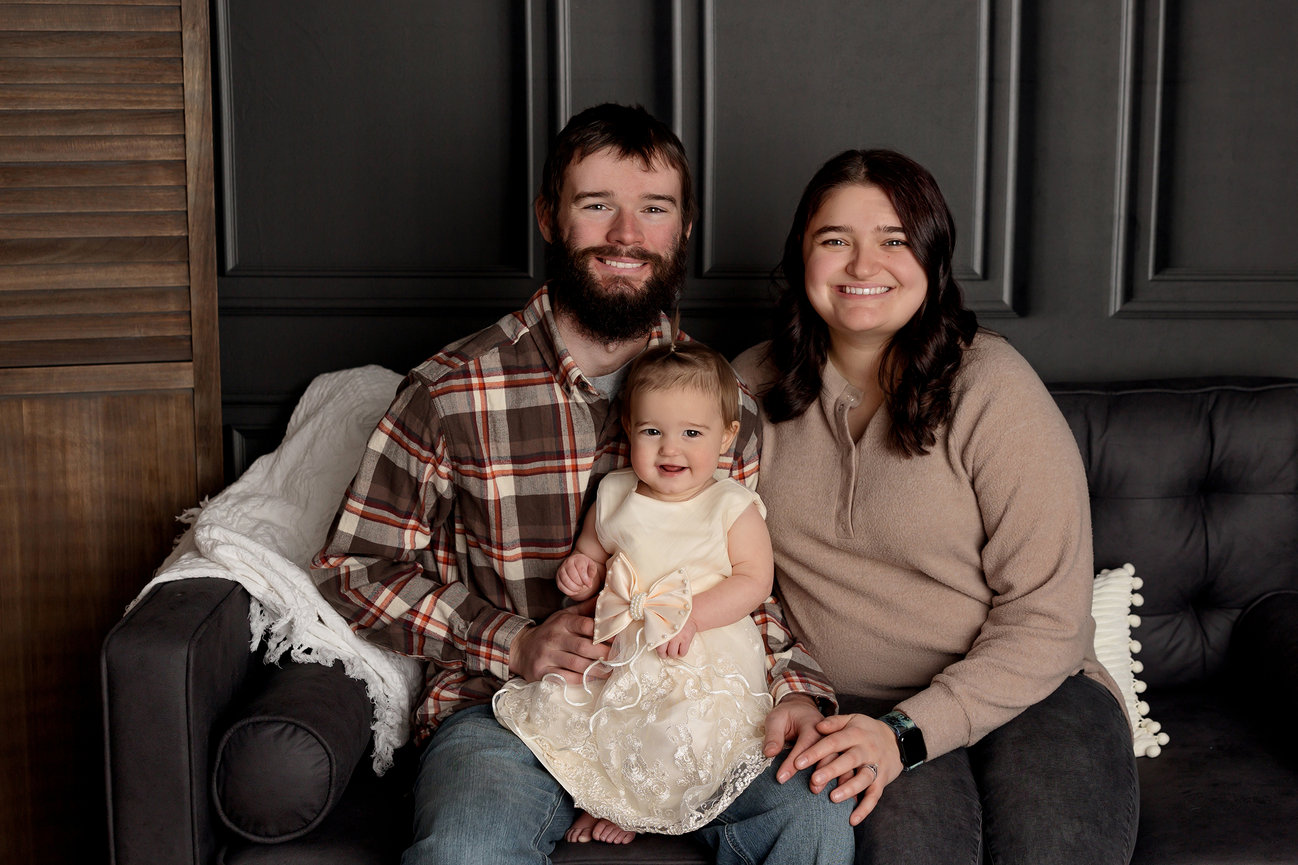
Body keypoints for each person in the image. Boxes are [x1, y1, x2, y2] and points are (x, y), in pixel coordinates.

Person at [312, 103, 854, 864]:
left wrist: (797, 689)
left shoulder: (726, 404)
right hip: (510, 714)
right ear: (548, 217)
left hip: (689, 709)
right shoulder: (451, 391)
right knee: (464, 851)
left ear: (683, 228)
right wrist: (516, 641)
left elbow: (740, 581)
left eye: (653, 210)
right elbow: (352, 569)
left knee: (816, 818)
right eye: (597, 205)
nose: (627, 236)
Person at [732, 149, 1140, 864]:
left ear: (931, 256)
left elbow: (1050, 617)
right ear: (802, 257)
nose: (864, 265)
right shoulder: (743, 388)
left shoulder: (993, 386)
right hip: (849, 709)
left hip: (1034, 692)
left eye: (893, 239)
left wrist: (911, 731)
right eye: (835, 240)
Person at [494, 342, 776, 845]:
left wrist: (692, 617)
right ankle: (600, 799)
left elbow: (754, 581)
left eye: (692, 433)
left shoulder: (731, 505)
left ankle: (639, 812)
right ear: (629, 429)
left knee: (675, 726)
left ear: (727, 437)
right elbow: (594, 550)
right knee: (591, 717)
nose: (670, 448)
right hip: (622, 640)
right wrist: (580, 570)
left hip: (695, 648)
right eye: (653, 431)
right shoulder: (617, 492)